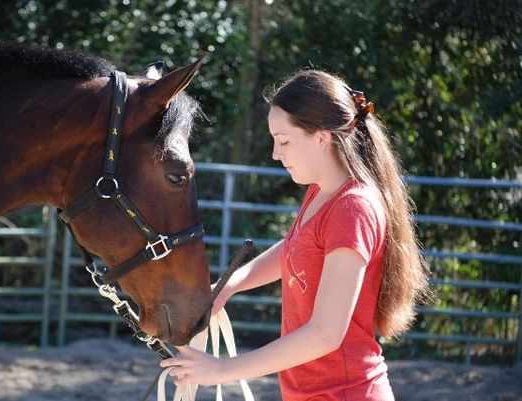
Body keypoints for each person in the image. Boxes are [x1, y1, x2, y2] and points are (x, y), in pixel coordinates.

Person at [161, 69, 430, 400]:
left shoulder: (353, 208)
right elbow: (298, 246)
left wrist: (223, 370)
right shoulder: (321, 191)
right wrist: (233, 283)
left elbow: (325, 333)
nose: (276, 153)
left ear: (321, 137)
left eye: (284, 140)